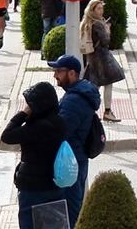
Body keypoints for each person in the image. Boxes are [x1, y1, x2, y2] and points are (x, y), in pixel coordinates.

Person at [1, 82, 66, 229]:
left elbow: (7, 136)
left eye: (30, 104)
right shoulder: (59, 122)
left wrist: (23, 114)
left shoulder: (36, 128)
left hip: (33, 188)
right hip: (55, 183)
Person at [47, 55, 101, 227]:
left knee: (69, 214)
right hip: (76, 160)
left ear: (72, 73)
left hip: (70, 164)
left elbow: (60, 131)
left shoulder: (74, 100)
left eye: (59, 71)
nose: (55, 75)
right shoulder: (76, 94)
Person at [80, 0, 125, 123]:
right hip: (102, 57)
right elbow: (105, 41)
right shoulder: (98, 24)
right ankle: (107, 111)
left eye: (102, 8)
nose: (101, 11)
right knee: (106, 83)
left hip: (92, 56)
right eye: (98, 8)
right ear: (92, 10)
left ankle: (89, 109)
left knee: (95, 84)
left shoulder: (86, 22)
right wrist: (107, 30)